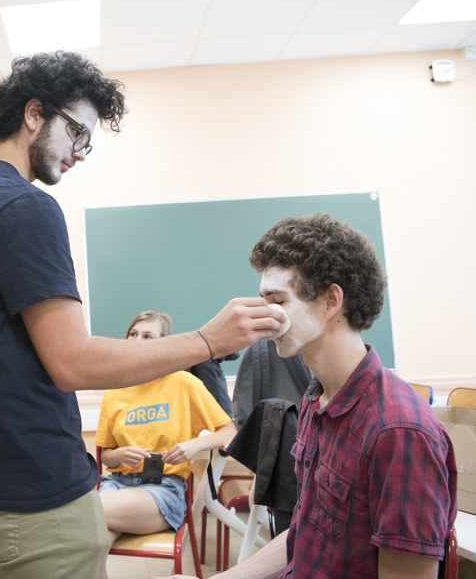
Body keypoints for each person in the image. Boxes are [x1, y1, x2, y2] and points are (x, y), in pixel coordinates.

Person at [0, 50, 284, 579]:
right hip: (34, 489)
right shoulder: (23, 206)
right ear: (34, 113)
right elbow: (73, 362)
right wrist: (208, 341)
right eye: (76, 132)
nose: (81, 153)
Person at [164, 213, 457, 579]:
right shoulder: (315, 400)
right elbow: (302, 534)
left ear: (331, 301)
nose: (266, 318)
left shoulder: (398, 432)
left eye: (278, 301)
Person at [96, 311, 237, 579]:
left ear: (163, 344)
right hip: (117, 484)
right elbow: (107, 458)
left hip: (162, 489)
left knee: (83, 514)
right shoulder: (114, 390)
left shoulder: (184, 383)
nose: (137, 341)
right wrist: (120, 454)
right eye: (133, 334)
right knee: (91, 550)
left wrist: (194, 445)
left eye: (148, 336)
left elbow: (229, 432)